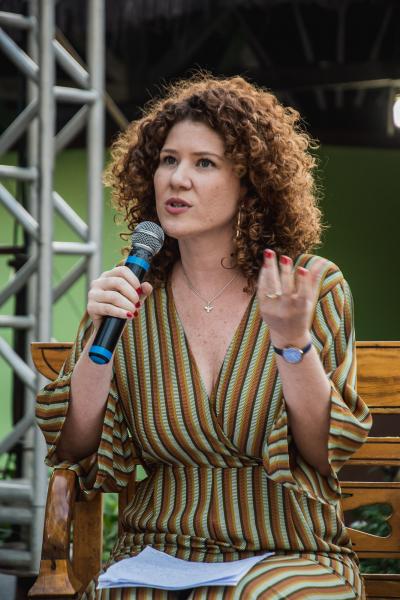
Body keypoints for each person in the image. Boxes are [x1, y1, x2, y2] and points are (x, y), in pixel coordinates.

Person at [36, 72, 372, 599]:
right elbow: (76, 448)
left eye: (204, 163)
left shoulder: (309, 285)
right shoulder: (129, 293)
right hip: (160, 549)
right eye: (168, 160)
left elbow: (322, 453)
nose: (177, 179)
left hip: (290, 550)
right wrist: (98, 350)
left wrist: (293, 343)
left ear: (251, 182)